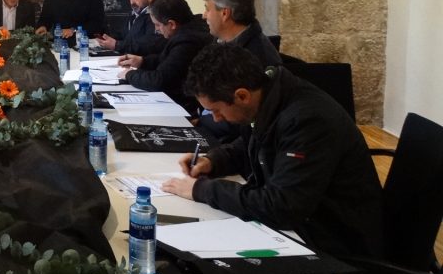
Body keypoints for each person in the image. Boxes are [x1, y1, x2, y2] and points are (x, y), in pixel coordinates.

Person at [162, 44, 384, 259]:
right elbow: (249, 144)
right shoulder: (269, 96)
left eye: (216, 110)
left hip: (334, 240)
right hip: (304, 225)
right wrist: (213, 161)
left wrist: (202, 190)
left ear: (241, 96)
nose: (216, 119)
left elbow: (282, 207)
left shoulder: (307, 120)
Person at [117, 0, 213, 111]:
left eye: (157, 25)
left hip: (184, 107)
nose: (156, 30)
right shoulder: (191, 27)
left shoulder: (187, 41)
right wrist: (142, 61)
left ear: (172, 24)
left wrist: (129, 74)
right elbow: (169, 59)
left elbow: (159, 81)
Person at [202, 0, 282, 67]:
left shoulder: (256, 60)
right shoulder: (220, 40)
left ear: (225, 13)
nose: (203, 16)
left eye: (207, 9)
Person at [98, 0, 166, 55]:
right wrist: (105, 39)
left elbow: (148, 45)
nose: (131, 2)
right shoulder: (133, 15)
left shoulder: (157, 17)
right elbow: (122, 35)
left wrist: (117, 45)